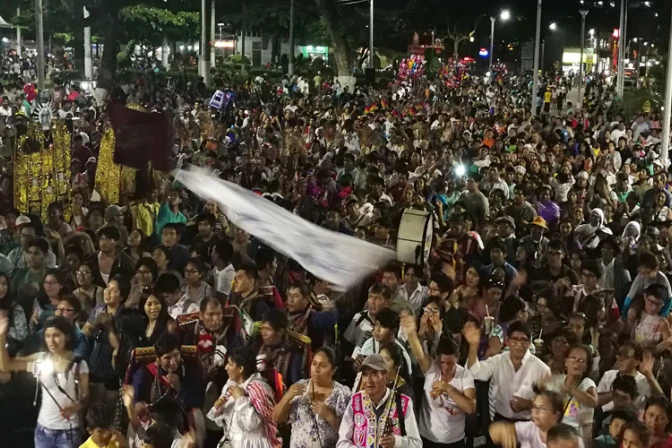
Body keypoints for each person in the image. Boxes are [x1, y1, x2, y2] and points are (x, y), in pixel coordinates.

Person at [0, 315, 90, 448]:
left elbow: (86, 396)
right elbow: (7, 366)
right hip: (43, 429)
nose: (51, 341)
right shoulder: (41, 358)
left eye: (56, 335)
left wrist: (75, 407)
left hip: (68, 431)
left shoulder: (78, 364)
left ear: (67, 336)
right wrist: (1, 337)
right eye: (47, 336)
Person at [402, 314, 475, 447]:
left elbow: (470, 407)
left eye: (450, 363)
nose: (445, 367)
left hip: (454, 441)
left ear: (457, 358)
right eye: (442, 363)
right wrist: (411, 333)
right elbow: (419, 355)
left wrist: (448, 388)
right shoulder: (432, 369)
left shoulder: (464, 375)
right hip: (427, 438)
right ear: (436, 358)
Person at [464, 320, 551, 421]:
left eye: (523, 340)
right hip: (500, 420)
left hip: (528, 424)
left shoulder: (541, 369)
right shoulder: (498, 361)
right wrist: (473, 345)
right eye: (514, 340)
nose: (518, 344)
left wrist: (528, 405)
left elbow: (550, 404)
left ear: (529, 343)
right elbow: (475, 372)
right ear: (508, 341)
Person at [336, 354, 422, 448]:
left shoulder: (403, 403)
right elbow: (342, 442)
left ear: (386, 377)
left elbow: (417, 444)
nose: (368, 380)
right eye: (365, 374)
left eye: (374, 374)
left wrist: (397, 442)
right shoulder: (355, 401)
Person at [273, 347, 351, 448]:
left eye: (322, 365)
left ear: (333, 370)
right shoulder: (300, 387)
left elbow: (351, 433)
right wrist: (287, 397)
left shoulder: (342, 393)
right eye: (314, 364)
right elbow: (276, 418)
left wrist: (330, 417)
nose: (316, 369)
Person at [207, 346, 281, 448]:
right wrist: (219, 408)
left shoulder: (259, 389)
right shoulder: (229, 386)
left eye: (230, 364)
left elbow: (252, 424)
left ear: (241, 369)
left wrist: (241, 399)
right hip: (233, 442)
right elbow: (226, 423)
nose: (226, 367)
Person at [539, 344, 598, 440]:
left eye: (581, 361)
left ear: (586, 367)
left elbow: (593, 402)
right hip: (556, 433)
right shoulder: (558, 380)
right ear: (566, 362)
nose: (576, 363)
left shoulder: (587, 383)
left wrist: (570, 389)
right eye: (573, 358)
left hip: (576, 437)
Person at [489, 390, 565, 448]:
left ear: (556, 415)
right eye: (534, 407)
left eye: (542, 408)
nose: (535, 412)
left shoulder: (566, 438)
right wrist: (505, 428)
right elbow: (493, 432)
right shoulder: (530, 428)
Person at [359, 308, 412, 376]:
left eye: (382, 326)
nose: (377, 330)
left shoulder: (402, 355)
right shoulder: (368, 344)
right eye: (376, 324)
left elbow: (406, 383)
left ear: (393, 331)